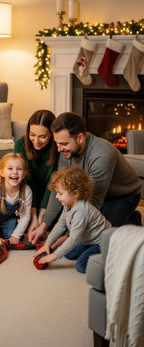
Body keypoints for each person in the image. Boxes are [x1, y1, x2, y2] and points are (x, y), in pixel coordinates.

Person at [30, 112, 141, 244]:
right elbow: (59, 188)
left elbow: (91, 203)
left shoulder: (102, 155)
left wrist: (67, 237)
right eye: (57, 143)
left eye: (64, 143)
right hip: (94, 195)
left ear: (80, 138)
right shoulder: (65, 150)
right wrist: (44, 225)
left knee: (97, 240)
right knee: (74, 246)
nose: (58, 149)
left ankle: (132, 220)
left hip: (123, 196)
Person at [33, 167, 111, 273]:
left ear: (75, 193)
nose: (56, 197)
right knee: (69, 254)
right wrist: (47, 244)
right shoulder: (68, 204)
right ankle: (90, 251)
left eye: (60, 194)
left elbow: (73, 238)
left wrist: (53, 257)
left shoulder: (81, 211)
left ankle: (110, 255)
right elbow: (61, 224)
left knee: (81, 265)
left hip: (101, 241)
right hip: (86, 240)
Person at [14, 110, 58, 239]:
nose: (36, 141)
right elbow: (27, 179)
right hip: (27, 192)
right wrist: (33, 215)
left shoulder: (58, 146)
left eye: (43, 136)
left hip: (51, 194)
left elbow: (54, 180)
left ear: (52, 134)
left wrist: (42, 215)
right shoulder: (20, 144)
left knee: (53, 223)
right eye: (32, 134)